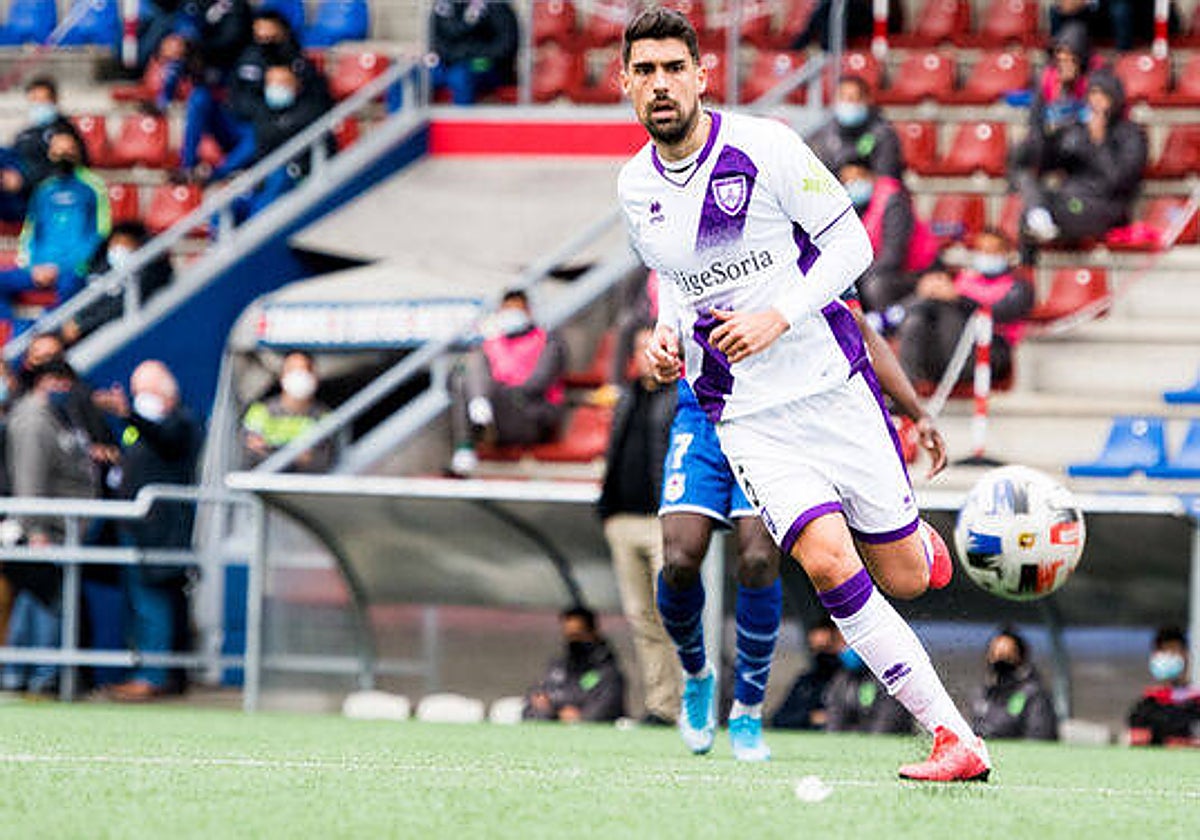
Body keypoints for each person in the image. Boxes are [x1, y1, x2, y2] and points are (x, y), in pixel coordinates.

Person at [619, 8, 989, 781]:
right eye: (644, 71)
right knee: (823, 565)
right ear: (625, 83)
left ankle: (916, 543)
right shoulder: (633, 187)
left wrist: (777, 316)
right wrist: (665, 342)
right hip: (745, 414)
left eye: (672, 68)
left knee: (908, 579)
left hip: (832, 385)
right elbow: (678, 287)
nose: (660, 84)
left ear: (700, 75)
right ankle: (954, 738)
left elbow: (851, 243)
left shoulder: (765, 146)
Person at [93, 361, 202, 701]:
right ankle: (143, 670)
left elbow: (167, 443)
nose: (141, 398)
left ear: (168, 392)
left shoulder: (182, 422)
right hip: (134, 527)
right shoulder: (137, 427)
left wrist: (129, 413)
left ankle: (154, 675)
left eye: (147, 391)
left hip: (161, 530)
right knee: (138, 605)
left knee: (154, 603)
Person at [597, 326, 680, 726]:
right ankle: (662, 706)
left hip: (661, 520)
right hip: (623, 519)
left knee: (674, 614)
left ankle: (688, 704)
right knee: (641, 618)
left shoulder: (680, 395)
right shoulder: (628, 394)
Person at [1, 360, 99, 695]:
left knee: (34, 599)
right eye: (61, 382)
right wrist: (36, 529)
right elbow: (30, 477)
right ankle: (39, 675)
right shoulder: (33, 420)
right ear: (46, 381)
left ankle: (18, 673)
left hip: (55, 528)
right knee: (50, 599)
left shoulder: (52, 417)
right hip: (44, 529)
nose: (65, 390)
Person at [1018, 71, 1147, 259]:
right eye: (1092, 95)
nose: (1095, 101)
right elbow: (1047, 166)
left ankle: (1044, 224)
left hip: (1105, 205)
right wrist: (1046, 138)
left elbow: (1118, 180)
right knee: (1029, 205)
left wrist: (1098, 143)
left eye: (1101, 95)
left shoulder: (1131, 134)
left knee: (1058, 214)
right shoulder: (1078, 130)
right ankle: (1028, 273)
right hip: (1071, 198)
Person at [448, 290, 567, 476]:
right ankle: (466, 440)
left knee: (480, 386)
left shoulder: (548, 340)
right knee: (464, 374)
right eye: (507, 310)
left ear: (528, 311)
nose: (511, 315)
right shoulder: (493, 341)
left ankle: (479, 405)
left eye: (516, 310)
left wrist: (500, 388)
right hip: (499, 410)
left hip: (531, 414)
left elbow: (537, 383)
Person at [897, 229, 1034, 387]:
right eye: (981, 250)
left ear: (1007, 253)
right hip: (948, 351)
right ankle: (906, 386)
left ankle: (892, 316)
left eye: (992, 251)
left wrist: (958, 299)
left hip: (989, 352)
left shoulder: (1019, 288)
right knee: (919, 317)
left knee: (943, 307)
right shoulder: (964, 280)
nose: (985, 256)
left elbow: (997, 313)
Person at [17, 128, 112, 307]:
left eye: (68, 150)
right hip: (39, 267)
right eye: (58, 151)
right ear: (50, 154)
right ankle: (19, 328)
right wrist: (32, 266)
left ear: (78, 152)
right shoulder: (44, 189)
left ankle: (56, 330)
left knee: (70, 286)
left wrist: (64, 266)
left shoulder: (93, 187)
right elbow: (30, 232)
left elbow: (100, 233)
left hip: (73, 269)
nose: (63, 155)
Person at [1009, 23, 1096, 208]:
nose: (1063, 65)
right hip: (1050, 142)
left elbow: (1093, 121)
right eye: (1060, 59)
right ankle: (1023, 197)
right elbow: (1035, 119)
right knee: (1020, 149)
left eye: (1069, 59)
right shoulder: (1048, 79)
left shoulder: (1093, 82)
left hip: (1081, 143)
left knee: (1073, 142)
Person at [236, 61, 334, 220]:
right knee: (231, 202)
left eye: (282, 83)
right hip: (266, 182)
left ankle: (254, 233)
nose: (275, 88)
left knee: (280, 176)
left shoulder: (311, 109)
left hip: (300, 179)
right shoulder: (263, 112)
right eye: (271, 83)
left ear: (296, 85)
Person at [839, 158, 939, 312]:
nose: (852, 184)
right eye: (847, 181)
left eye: (857, 178)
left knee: (875, 285)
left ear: (871, 176)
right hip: (879, 269)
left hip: (914, 272)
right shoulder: (857, 206)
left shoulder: (894, 200)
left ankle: (885, 332)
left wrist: (859, 273)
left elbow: (893, 255)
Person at [62, 221, 174, 345]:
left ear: (137, 245)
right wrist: (75, 320)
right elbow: (85, 296)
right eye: (115, 242)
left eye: (125, 243)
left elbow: (120, 306)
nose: (118, 248)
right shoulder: (99, 266)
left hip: (110, 333)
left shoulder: (147, 271)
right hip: (81, 330)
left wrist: (83, 324)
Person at [523, 606, 626, 723]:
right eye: (568, 636)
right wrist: (554, 713)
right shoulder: (558, 667)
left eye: (578, 635)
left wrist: (573, 715)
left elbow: (599, 713)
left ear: (593, 633)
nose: (573, 642)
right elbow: (535, 700)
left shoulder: (608, 673)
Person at [241, 351, 335, 472]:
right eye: (292, 370)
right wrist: (296, 456)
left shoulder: (324, 415)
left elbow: (324, 461)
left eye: (304, 370)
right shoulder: (259, 411)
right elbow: (249, 454)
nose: (298, 375)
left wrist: (271, 449)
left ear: (314, 376)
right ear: (282, 376)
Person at [806, 76, 903, 181]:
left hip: (872, 192)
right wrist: (840, 177)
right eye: (843, 98)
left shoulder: (882, 133)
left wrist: (865, 176)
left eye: (853, 98)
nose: (848, 103)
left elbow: (889, 175)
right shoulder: (823, 133)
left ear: (866, 100)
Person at [969, 627, 1058, 741]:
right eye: (995, 654)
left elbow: (1040, 736)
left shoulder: (1033, 694)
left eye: (1007, 655)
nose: (999, 660)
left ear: (1020, 657)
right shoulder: (983, 694)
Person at [429, 0, 520, 106]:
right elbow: (435, 42)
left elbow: (506, 46)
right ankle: (411, 121)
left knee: (460, 75)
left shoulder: (496, 4)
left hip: (486, 64)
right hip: (449, 61)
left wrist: (468, 53)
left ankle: (462, 120)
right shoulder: (442, 6)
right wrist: (455, 56)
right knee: (417, 73)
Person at [824, 636, 913, 734]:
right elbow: (835, 717)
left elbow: (887, 722)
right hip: (854, 739)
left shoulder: (888, 679)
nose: (848, 650)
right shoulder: (842, 679)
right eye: (845, 645)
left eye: (854, 646)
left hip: (883, 740)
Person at [1127, 626, 1200, 746]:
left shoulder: (1196, 703)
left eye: (1174, 651)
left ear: (1186, 655)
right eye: (1164, 652)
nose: (1169, 657)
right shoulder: (1145, 707)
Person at [12, 76, 87, 189]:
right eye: (34, 100)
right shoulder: (25, 134)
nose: (38, 105)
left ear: (54, 100)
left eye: (42, 100)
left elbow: (73, 164)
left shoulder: (65, 130)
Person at [771, 618, 843, 730]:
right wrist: (809, 718)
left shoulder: (850, 681)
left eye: (827, 648)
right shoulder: (806, 683)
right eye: (816, 650)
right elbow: (779, 719)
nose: (822, 655)